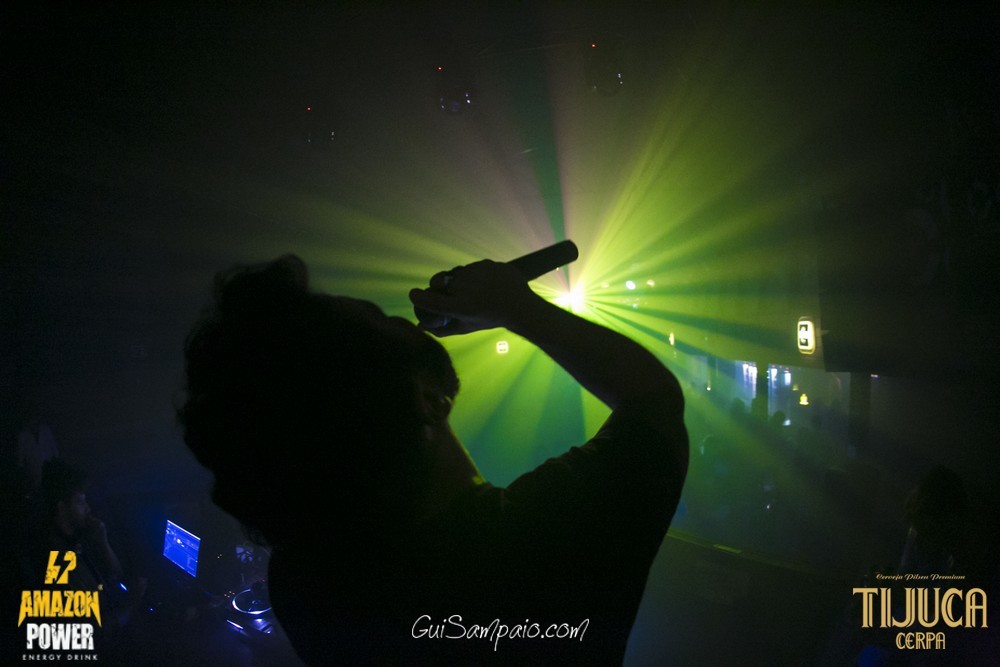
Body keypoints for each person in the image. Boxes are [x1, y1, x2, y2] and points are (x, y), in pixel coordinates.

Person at [179, 254, 688, 665]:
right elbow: (654, 404)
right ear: (427, 398)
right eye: (384, 319)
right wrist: (517, 308)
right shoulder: (537, 550)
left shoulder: (304, 582)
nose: (404, 318)